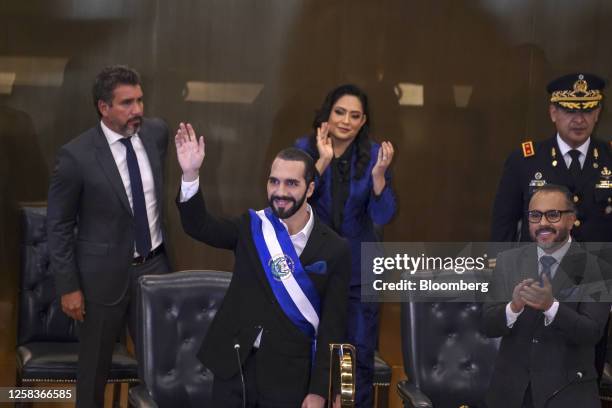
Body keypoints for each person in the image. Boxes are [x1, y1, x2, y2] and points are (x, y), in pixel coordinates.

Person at [175, 123, 351, 408]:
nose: (279, 191)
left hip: (289, 376)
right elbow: (199, 226)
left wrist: (319, 390)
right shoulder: (252, 227)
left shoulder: (335, 249)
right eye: (274, 181)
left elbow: (333, 327)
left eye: (291, 183)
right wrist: (190, 173)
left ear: (310, 189)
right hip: (234, 366)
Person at [47, 65, 171, 407]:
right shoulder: (76, 156)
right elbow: (57, 226)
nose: (138, 111)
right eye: (127, 103)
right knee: (93, 375)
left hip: (154, 269)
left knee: (162, 368)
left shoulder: (156, 134)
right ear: (104, 107)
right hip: (101, 278)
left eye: (140, 100)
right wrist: (68, 286)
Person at [490, 72, 612, 379]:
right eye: (570, 109)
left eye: (586, 110)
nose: (578, 118)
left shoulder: (610, 157)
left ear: (598, 113)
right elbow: (503, 224)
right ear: (553, 112)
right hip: (535, 278)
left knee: (586, 366)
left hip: (594, 285)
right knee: (531, 364)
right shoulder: (526, 159)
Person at [294, 84, 396, 407]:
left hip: (358, 274)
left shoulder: (374, 155)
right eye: (340, 112)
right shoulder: (303, 148)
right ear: (328, 114)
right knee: (307, 353)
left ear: (364, 121)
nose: (346, 121)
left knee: (356, 357)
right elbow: (292, 205)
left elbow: (384, 213)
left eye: (355, 116)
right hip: (313, 269)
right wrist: (321, 162)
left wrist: (379, 176)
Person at [484, 184, 611, 408]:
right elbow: (488, 326)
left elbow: (591, 333)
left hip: (568, 393)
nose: (543, 223)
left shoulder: (597, 268)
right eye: (535, 215)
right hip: (511, 394)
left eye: (553, 215)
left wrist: (551, 306)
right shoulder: (508, 261)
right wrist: (513, 307)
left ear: (572, 219)